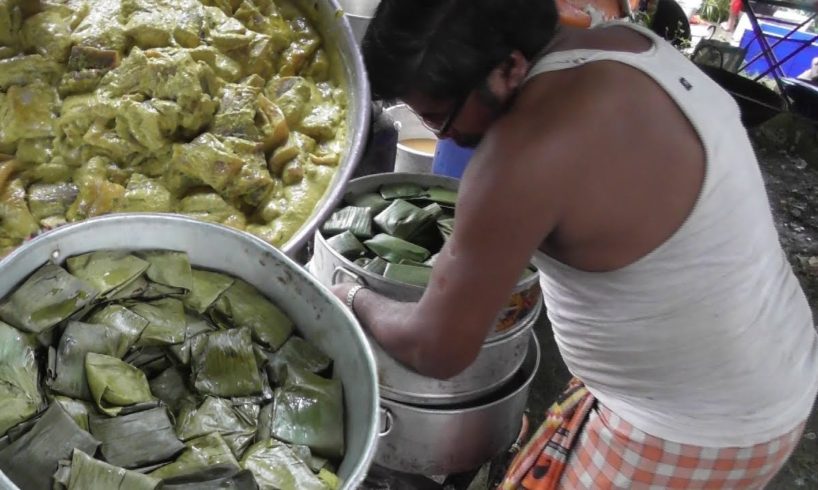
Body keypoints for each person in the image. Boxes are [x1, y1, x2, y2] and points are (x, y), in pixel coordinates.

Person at [333, 0, 818, 487]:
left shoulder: (522, 156)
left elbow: (436, 349)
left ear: (509, 67)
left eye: (439, 116)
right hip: (774, 352)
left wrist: (351, 295)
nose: (447, 136)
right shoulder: (620, 42)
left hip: (695, 429)